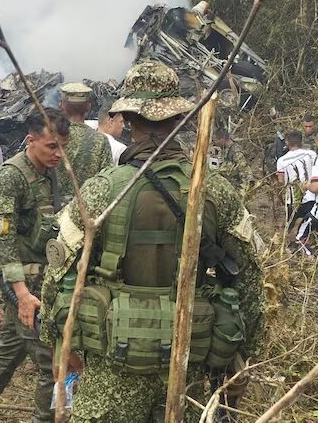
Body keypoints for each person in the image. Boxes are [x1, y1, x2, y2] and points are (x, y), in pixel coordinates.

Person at [40, 61, 264, 421]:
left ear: (128, 120)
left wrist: (57, 341)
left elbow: (58, 275)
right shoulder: (214, 190)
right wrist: (243, 357)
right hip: (185, 365)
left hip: (110, 373)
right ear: (178, 120)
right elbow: (250, 277)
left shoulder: (101, 191)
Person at [0, 110, 69, 422]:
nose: (59, 153)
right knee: (48, 362)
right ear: (31, 140)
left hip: (44, 277)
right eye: (52, 146)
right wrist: (22, 294)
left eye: (63, 146)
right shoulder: (12, 176)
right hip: (24, 285)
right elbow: (2, 238)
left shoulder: (52, 171)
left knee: (7, 350)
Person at [55, 82, 112, 206]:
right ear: (88, 107)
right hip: (85, 213)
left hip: (51, 214)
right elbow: (107, 182)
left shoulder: (50, 138)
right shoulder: (100, 141)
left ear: (61, 106)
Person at [275, 130, 316, 228]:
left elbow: (281, 181)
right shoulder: (311, 154)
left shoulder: (282, 160)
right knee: (309, 230)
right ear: (301, 142)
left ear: (287, 142)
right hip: (312, 197)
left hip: (293, 200)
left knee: (293, 229)